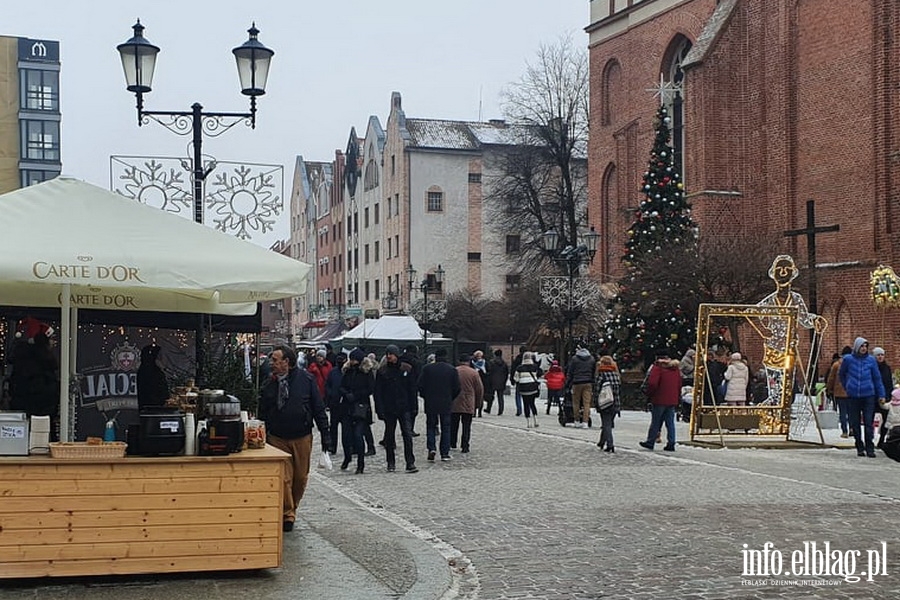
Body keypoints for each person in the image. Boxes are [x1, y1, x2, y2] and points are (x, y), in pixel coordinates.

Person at [258, 345, 331, 532]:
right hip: (277, 437)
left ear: (287, 363)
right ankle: (287, 514)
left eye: (275, 360)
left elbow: (318, 408)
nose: (271, 363)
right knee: (284, 478)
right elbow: (263, 411)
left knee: (300, 478)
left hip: (301, 436)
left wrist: (325, 435)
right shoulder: (269, 383)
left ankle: (293, 507)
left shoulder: (306, 380)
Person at [754, 255, 827, 405]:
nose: (783, 272)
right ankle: (773, 408)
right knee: (774, 384)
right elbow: (753, 313)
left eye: (787, 269)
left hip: (789, 349)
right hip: (773, 349)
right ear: (774, 273)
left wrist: (815, 320)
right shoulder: (770, 300)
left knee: (786, 383)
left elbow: (804, 318)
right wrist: (763, 330)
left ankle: (782, 409)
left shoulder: (795, 299)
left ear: (792, 273)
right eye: (779, 269)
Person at [374, 345, 418, 473]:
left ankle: (410, 462)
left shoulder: (406, 369)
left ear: (396, 355)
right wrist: (379, 409)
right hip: (389, 408)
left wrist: (413, 407)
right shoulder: (382, 371)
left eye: (391, 354)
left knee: (407, 435)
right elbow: (378, 393)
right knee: (389, 436)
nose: (389, 356)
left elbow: (412, 390)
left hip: (404, 407)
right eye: (387, 354)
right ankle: (390, 462)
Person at [838, 337, 885, 458]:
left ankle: (870, 447)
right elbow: (841, 374)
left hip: (868, 395)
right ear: (856, 347)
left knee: (868, 422)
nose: (864, 349)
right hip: (853, 395)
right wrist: (847, 386)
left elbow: (877, 378)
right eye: (861, 346)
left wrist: (881, 394)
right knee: (855, 422)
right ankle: (859, 445)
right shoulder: (848, 359)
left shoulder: (870, 360)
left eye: (865, 346)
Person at [417, 347, 460, 462]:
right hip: (446, 402)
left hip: (431, 402)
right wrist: (450, 398)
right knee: (446, 428)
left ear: (435, 357)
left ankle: (431, 448)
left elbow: (420, 385)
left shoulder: (427, 369)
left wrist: (425, 396)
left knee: (431, 426)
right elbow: (457, 388)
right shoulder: (451, 370)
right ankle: (444, 453)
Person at [338, 349, 376, 473]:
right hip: (347, 407)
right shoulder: (347, 371)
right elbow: (341, 386)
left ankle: (361, 463)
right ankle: (347, 457)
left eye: (354, 359)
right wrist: (346, 393)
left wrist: (356, 395)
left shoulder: (366, 372)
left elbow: (370, 388)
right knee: (346, 436)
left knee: (358, 435)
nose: (352, 361)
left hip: (361, 407)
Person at [639, 350, 681, 451]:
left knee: (656, 422)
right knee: (670, 422)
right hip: (672, 399)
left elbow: (652, 383)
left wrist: (650, 393)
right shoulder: (675, 369)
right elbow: (679, 384)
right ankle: (671, 443)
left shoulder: (658, 368)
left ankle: (650, 441)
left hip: (659, 398)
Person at [452, 354, 483, 453]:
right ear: (469, 361)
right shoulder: (474, 373)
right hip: (469, 401)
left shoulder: (454, 371)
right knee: (466, 425)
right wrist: (478, 403)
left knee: (454, 424)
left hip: (455, 401)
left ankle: (452, 442)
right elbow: (479, 389)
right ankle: (465, 445)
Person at [595, 355, 621, 452]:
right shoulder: (615, 374)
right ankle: (602, 441)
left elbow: (597, 390)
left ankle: (610, 444)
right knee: (608, 423)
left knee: (606, 424)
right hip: (615, 403)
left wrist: (596, 403)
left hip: (605, 403)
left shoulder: (602, 375)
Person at [566, 346, 596, 428]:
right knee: (586, 403)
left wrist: (567, 383)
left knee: (576, 403)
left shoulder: (574, 359)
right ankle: (585, 422)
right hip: (588, 383)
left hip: (577, 382)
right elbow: (593, 371)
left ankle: (576, 420)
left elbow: (570, 372)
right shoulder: (592, 359)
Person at [826, 347, 852, 438]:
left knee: (842, 413)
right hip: (851, 392)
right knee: (852, 412)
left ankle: (844, 431)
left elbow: (831, 378)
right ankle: (852, 428)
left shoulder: (836, 365)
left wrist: (829, 389)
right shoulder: (854, 364)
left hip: (839, 392)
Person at [324, 353, 347, 454]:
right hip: (334, 403)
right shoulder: (333, 372)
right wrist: (330, 394)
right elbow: (327, 385)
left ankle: (348, 446)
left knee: (346, 427)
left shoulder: (347, 371)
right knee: (333, 426)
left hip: (345, 403)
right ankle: (333, 446)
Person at [513, 352, 542, 428]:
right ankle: (536, 420)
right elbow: (538, 374)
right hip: (532, 387)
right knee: (532, 404)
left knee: (526, 404)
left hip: (523, 388)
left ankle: (528, 422)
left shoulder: (519, 368)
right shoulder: (534, 367)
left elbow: (516, 378)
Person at [136, 344, 170, 410]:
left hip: (148, 411)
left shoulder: (143, 370)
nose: (164, 360)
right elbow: (160, 396)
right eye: (161, 357)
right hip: (155, 412)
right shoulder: (154, 374)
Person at [872, 347, 893, 449]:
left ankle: (882, 439)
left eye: (882, 355)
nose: (880, 357)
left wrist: (889, 396)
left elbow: (889, 383)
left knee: (886, 420)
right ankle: (869, 440)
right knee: (869, 419)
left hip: (885, 398)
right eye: (878, 355)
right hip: (873, 398)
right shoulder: (872, 367)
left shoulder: (887, 368)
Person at [400, 345, 423, 436]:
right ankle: (410, 428)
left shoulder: (400, 360)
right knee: (413, 409)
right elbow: (419, 376)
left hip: (400, 387)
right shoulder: (416, 362)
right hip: (412, 388)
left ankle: (404, 428)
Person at [487, 349, 509, 415]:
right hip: (501, 382)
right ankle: (500, 410)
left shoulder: (491, 362)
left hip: (492, 381)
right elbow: (506, 373)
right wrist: (504, 381)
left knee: (490, 396)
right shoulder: (504, 363)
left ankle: (488, 408)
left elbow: (489, 372)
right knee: (500, 397)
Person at [470, 350, 489, 418]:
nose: (479, 357)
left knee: (478, 397)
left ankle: (478, 412)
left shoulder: (474, 363)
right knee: (477, 397)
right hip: (479, 382)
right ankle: (476, 412)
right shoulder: (474, 363)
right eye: (478, 356)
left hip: (480, 382)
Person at [509, 346, 527, 416]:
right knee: (526, 396)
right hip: (527, 380)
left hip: (519, 380)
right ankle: (526, 409)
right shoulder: (529, 360)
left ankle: (519, 410)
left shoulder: (517, 359)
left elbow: (513, 370)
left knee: (518, 395)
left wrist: (512, 379)